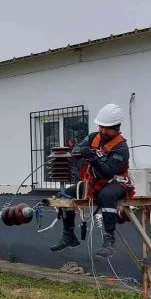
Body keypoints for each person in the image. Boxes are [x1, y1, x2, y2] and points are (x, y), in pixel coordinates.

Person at [49, 103, 134, 259]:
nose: (102, 131)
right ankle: (69, 235)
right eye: (101, 127)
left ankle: (109, 240)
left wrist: (93, 159)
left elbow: (108, 173)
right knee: (66, 195)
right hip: (93, 183)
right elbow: (76, 149)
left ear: (116, 128)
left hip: (115, 183)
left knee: (107, 195)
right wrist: (80, 152)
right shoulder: (94, 137)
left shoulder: (121, 148)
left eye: (106, 128)